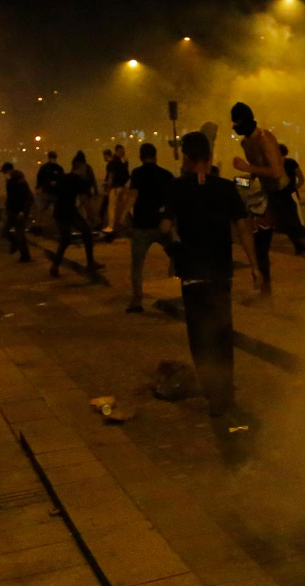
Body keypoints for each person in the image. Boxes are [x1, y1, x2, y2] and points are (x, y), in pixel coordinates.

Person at [160, 131, 261, 419]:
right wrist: (254, 266)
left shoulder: (176, 187)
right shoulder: (225, 187)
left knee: (200, 338)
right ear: (209, 156)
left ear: (187, 158)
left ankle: (212, 394)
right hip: (220, 276)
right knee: (221, 335)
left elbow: (165, 227)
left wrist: (173, 248)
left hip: (192, 276)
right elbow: (243, 226)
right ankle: (225, 394)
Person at [231, 102, 305, 294]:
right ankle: (266, 294)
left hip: (282, 196)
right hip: (267, 199)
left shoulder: (265, 138)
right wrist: (240, 182)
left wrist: (246, 168)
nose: (236, 126)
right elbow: (257, 175)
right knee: (261, 245)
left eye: (238, 122)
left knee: (301, 240)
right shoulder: (246, 143)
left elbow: (275, 172)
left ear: (247, 120)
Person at [127, 143, 175, 313]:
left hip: (142, 226)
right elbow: (173, 200)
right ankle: (180, 282)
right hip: (162, 225)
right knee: (178, 253)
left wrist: (122, 216)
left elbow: (133, 196)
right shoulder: (166, 175)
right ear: (156, 155)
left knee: (137, 266)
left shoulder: (137, 174)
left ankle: (137, 300)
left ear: (141, 156)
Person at [50, 152, 104, 278]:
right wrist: (94, 217)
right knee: (86, 233)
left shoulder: (64, 177)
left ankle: (55, 265)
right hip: (70, 211)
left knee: (65, 239)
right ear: (81, 166)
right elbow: (85, 200)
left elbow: (55, 192)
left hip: (59, 211)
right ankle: (90, 262)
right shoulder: (78, 180)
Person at [0, 163, 33, 263]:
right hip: (11, 211)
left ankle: (25, 256)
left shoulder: (20, 182)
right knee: (4, 231)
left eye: (5, 172)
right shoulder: (9, 182)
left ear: (9, 171)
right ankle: (16, 244)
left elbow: (29, 198)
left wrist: (24, 211)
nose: (4, 175)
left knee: (20, 234)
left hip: (19, 212)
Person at [102, 144, 130, 239]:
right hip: (123, 187)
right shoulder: (124, 162)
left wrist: (108, 188)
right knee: (127, 205)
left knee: (111, 208)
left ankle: (111, 226)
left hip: (115, 188)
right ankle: (130, 223)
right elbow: (127, 175)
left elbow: (111, 177)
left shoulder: (112, 163)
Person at [33, 150, 64, 229]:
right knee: (42, 210)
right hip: (49, 192)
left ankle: (38, 226)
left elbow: (39, 178)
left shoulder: (48, 168)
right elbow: (40, 178)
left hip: (52, 192)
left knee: (42, 210)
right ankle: (38, 226)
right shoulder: (55, 168)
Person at [96, 149, 113, 229]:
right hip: (112, 190)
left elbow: (110, 177)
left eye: (104, 156)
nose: (104, 158)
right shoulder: (113, 164)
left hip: (109, 190)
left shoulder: (110, 165)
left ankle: (101, 225)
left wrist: (107, 189)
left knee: (103, 209)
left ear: (107, 155)